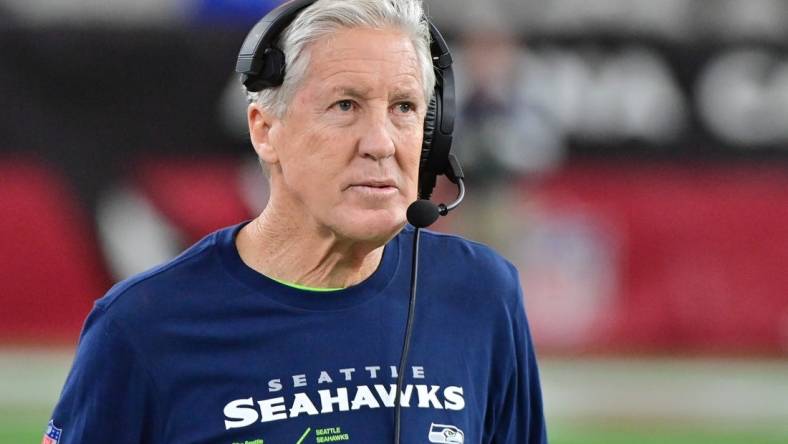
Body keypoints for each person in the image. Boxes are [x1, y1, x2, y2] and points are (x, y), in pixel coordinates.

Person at [45, 1, 547, 443]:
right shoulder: (142, 325)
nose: (381, 142)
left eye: (404, 108)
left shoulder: (482, 293)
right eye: (345, 105)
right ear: (265, 131)